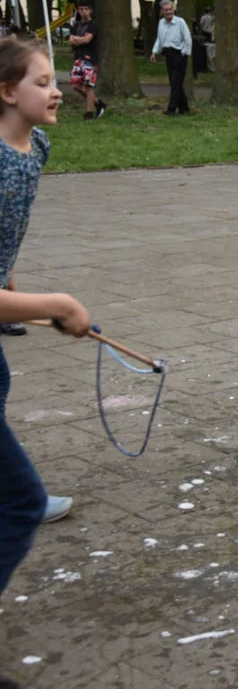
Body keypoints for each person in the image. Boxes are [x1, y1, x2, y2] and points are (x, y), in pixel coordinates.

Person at [0, 37, 92, 600]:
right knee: (23, 504)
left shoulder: (37, 147)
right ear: (7, 92)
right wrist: (56, 304)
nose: (57, 90)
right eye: (42, 82)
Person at [149, 0, 192, 116]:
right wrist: (154, 52)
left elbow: (187, 39)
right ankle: (184, 108)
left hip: (179, 54)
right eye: (166, 10)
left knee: (175, 81)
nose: (168, 12)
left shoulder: (180, 22)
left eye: (170, 9)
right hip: (168, 55)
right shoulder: (161, 23)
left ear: (173, 9)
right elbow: (159, 38)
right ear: (162, 11)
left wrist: (184, 52)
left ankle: (171, 109)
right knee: (175, 82)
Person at [68, 0, 105, 121]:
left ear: (90, 11)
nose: (84, 12)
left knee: (88, 86)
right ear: (78, 11)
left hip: (90, 58)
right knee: (75, 85)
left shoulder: (93, 24)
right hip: (78, 57)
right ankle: (97, 103)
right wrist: (78, 39)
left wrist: (76, 39)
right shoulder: (76, 25)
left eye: (86, 9)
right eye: (81, 9)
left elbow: (87, 39)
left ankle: (89, 112)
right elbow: (70, 41)